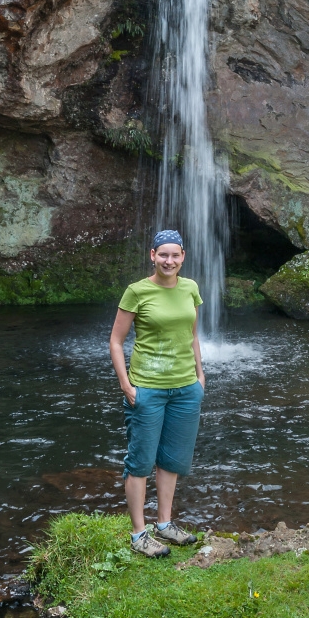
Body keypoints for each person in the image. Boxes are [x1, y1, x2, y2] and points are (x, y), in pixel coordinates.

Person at [109, 229, 205, 557]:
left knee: (171, 460)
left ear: (183, 257)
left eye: (175, 255)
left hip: (185, 388)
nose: (169, 261)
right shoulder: (137, 291)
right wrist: (126, 384)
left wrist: (200, 375)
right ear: (153, 255)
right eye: (163, 254)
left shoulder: (190, 288)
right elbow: (116, 341)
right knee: (140, 462)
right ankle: (139, 535)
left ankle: (164, 525)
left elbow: (192, 335)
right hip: (147, 388)